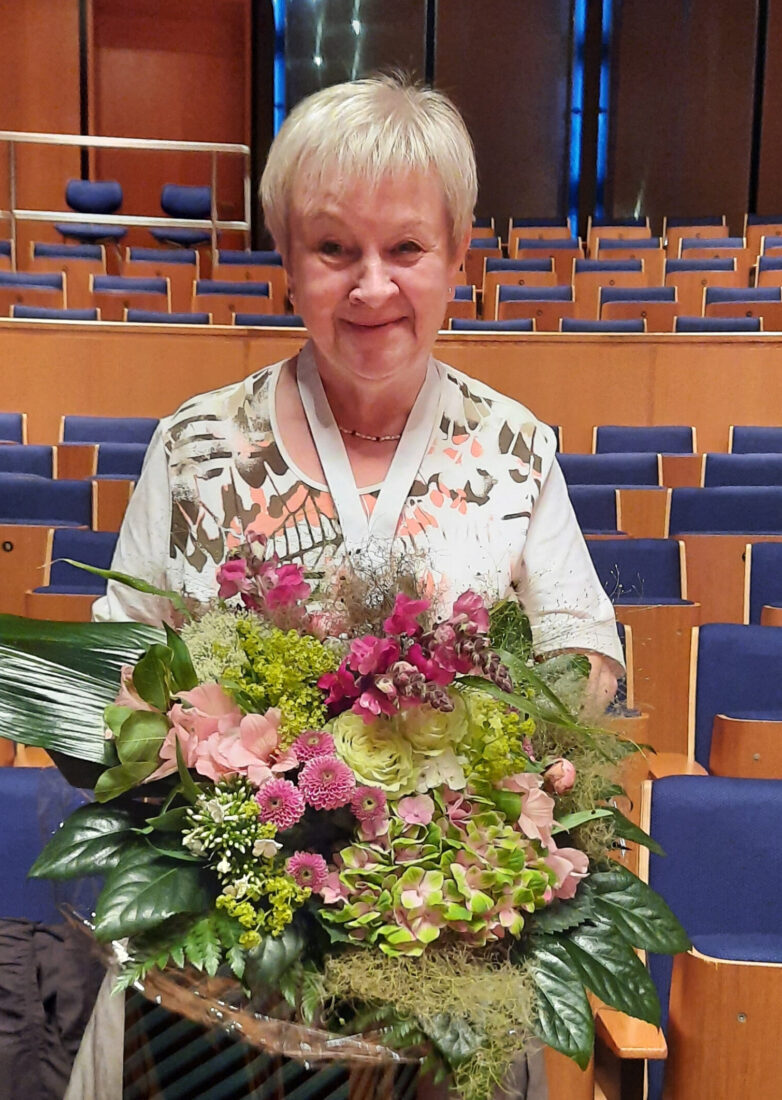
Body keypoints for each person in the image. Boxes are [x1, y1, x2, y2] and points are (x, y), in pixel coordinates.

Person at [88, 74, 623, 1097]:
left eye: (406, 248)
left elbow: (584, 653)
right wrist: (203, 758)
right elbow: (120, 658)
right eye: (333, 248)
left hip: (444, 956)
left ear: (456, 256)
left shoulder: (513, 449)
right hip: (227, 974)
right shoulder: (198, 445)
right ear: (288, 259)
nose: (371, 285)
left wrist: (485, 753)